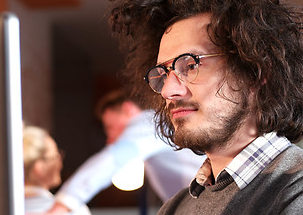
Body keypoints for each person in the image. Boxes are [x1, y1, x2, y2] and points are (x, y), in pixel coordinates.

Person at [106, 0, 303, 214]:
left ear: (255, 71)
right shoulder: (176, 207)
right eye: (163, 73)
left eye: (191, 65)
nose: (169, 91)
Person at [53, 90, 205, 212]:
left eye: (110, 127)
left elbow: (114, 157)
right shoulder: (156, 131)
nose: (110, 138)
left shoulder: (146, 123)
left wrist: (65, 202)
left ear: (127, 109)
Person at [23, 125, 91, 215]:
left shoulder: (4, 209)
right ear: (39, 168)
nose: (60, 164)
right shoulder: (73, 210)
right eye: (56, 157)